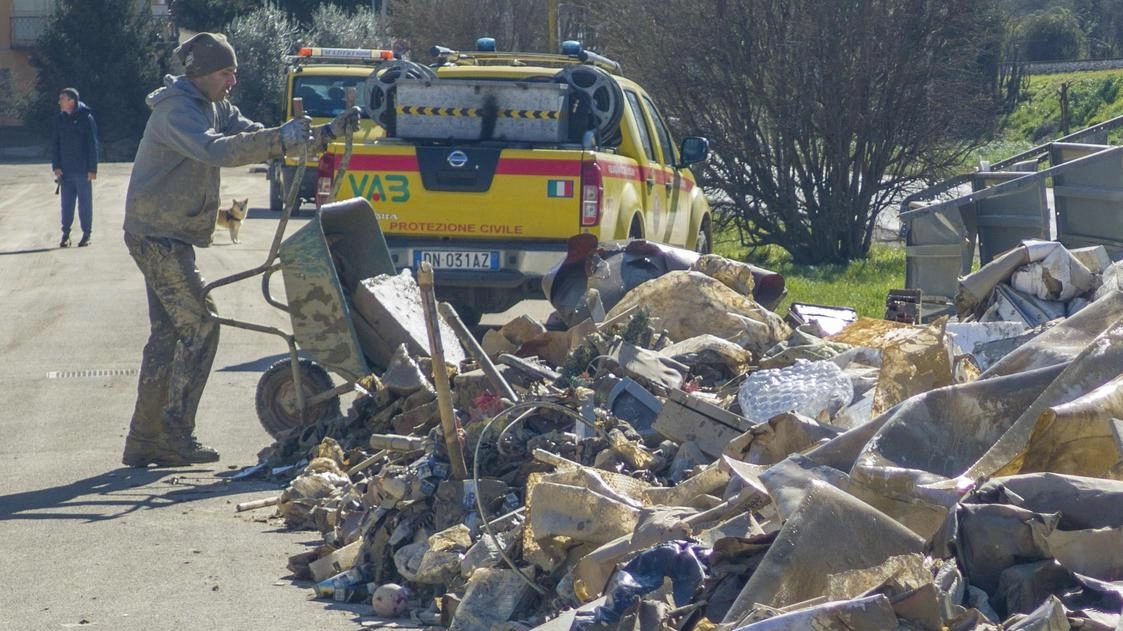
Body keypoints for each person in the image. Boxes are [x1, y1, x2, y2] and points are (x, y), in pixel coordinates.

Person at [121, 32, 361, 467]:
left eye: (233, 71)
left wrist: (322, 135)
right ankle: (174, 434)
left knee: (168, 335)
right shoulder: (178, 112)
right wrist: (280, 139)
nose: (233, 79)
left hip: (167, 233)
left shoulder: (212, 104)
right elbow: (218, 151)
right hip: (156, 235)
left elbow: (255, 135)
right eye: (225, 72)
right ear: (201, 75)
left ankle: (144, 439)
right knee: (201, 326)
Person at [51, 87, 98, 247]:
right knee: (66, 204)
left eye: (62, 99)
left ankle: (86, 234)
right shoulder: (60, 119)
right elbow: (55, 144)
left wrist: (92, 169)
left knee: (85, 204)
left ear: (71, 101)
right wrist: (56, 166)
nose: (59, 102)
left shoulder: (86, 118)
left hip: (83, 170)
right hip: (65, 170)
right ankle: (65, 234)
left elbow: (92, 145)